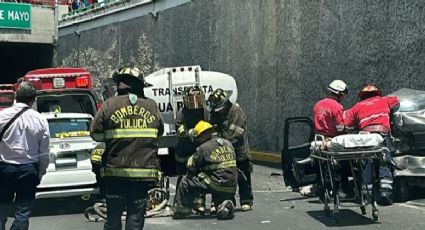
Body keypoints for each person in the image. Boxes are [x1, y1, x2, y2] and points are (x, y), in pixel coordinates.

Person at [90, 67, 164, 230]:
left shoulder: (109, 105)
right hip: (142, 173)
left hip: (115, 172)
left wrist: (113, 140)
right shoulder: (152, 106)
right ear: (138, 85)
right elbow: (159, 133)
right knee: (135, 219)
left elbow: (95, 133)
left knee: (113, 219)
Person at [0, 82, 50, 230]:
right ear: (33, 100)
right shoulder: (40, 120)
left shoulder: (2, 116)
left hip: (4, 168)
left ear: (15, 96)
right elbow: (44, 152)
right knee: (22, 213)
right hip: (29, 169)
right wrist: (41, 172)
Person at [344, 84, 399, 205]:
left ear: (362, 96)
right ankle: (386, 193)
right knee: (385, 161)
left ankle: (365, 195)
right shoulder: (384, 100)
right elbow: (397, 100)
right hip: (382, 136)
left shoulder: (357, 106)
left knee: (365, 164)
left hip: (365, 138)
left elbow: (347, 123)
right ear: (377, 93)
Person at [173, 120, 237, 220]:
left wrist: (192, 159)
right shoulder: (228, 143)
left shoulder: (203, 148)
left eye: (198, 137)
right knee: (216, 175)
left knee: (186, 181)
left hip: (216, 184)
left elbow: (191, 167)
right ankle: (223, 204)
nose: (197, 140)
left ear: (203, 135)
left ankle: (182, 211)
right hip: (231, 186)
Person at [207, 88, 253, 211]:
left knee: (243, 175)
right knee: (224, 177)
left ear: (225, 103)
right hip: (223, 151)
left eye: (219, 109)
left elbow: (235, 134)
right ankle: (225, 201)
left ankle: (246, 200)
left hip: (239, 151)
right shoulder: (215, 113)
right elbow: (212, 128)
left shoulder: (236, 112)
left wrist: (222, 144)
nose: (217, 111)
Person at [174, 86, 209, 213]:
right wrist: (191, 133)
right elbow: (179, 130)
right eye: (191, 99)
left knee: (200, 176)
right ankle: (181, 204)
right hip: (185, 150)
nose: (195, 103)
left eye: (198, 99)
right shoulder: (182, 113)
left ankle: (199, 203)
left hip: (199, 149)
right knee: (184, 176)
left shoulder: (205, 111)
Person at [313, 80, 350, 197]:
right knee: (343, 162)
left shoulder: (318, 104)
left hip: (318, 139)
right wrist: (347, 131)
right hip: (331, 140)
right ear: (339, 94)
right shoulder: (337, 107)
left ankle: (322, 191)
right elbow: (340, 127)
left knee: (321, 165)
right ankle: (339, 190)